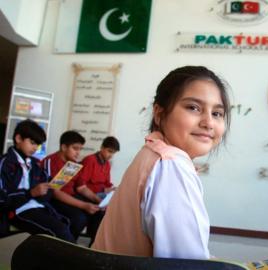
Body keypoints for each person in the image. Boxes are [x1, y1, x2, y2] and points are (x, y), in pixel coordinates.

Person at [92, 66, 231, 259]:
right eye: (193, 108)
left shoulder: (153, 153)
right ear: (159, 113)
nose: (208, 123)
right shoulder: (170, 164)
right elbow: (185, 264)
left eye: (217, 113)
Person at [0, 119, 74, 241]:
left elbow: (47, 188)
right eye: (32, 142)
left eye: (38, 144)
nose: (35, 148)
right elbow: (3, 199)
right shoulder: (4, 164)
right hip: (17, 211)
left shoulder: (35, 164)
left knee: (66, 223)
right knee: (59, 230)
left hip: (39, 206)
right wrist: (31, 193)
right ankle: (75, 259)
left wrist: (50, 188)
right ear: (19, 139)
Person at [41, 131, 103, 242]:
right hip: (55, 200)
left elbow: (81, 188)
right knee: (79, 218)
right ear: (64, 147)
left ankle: (93, 246)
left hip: (72, 197)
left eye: (80, 149)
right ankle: (67, 245)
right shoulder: (51, 161)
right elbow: (54, 192)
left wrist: (99, 200)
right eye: (75, 148)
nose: (78, 153)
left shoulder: (73, 163)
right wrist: (84, 205)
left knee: (99, 212)